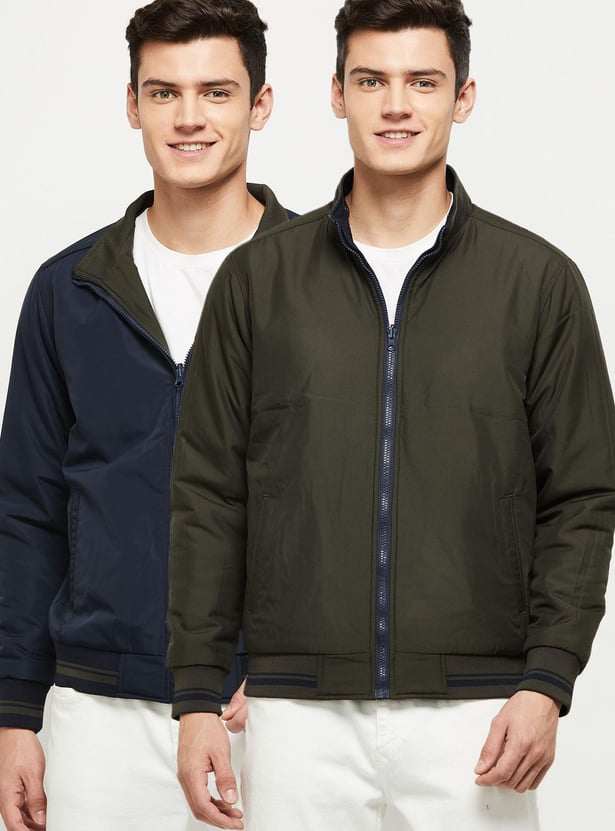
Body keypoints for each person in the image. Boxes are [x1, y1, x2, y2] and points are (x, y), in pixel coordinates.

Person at [167, 0, 615, 829]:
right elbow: (208, 495)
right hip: (294, 714)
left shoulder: (537, 283)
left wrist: (547, 679)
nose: (396, 105)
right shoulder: (257, 283)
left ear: (462, 97)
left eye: (423, 82)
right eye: (371, 80)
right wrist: (197, 694)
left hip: (476, 713)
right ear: (337, 93)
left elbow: (581, 498)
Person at [0, 0, 293, 829]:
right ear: (132, 105)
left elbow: (356, 500)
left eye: (216, 92)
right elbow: (26, 508)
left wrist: (294, 659)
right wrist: (15, 711)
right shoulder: (69, 290)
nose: (189, 117)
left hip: (268, 709)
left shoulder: (321, 284)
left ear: (260, 105)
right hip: (98, 710)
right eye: (164, 92)